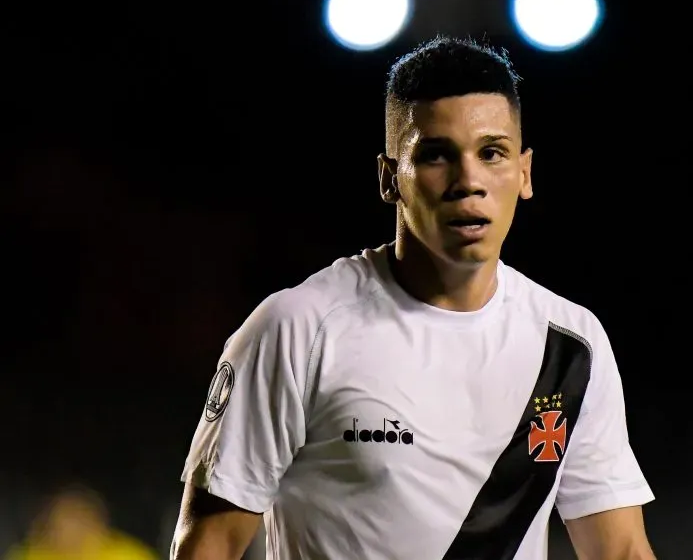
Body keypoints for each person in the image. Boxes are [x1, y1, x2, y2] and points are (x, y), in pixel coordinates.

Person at [172, 36, 657, 559]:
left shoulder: (570, 344)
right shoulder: (298, 329)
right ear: (389, 179)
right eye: (435, 155)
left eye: (492, 153)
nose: (468, 181)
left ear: (525, 173)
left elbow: (622, 550)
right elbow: (208, 546)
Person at [5, 485, 158, 560]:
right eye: (59, 524)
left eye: (78, 521)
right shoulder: (29, 554)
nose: (70, 532)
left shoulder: (129, 555)